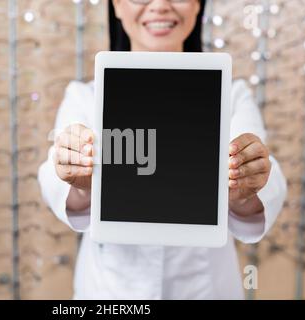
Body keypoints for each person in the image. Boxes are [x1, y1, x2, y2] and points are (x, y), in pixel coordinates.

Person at [38, 0, 287, 299]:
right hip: (112, 291)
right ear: (116, 6)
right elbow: (55, 180)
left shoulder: (233, 95)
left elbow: (261, 181)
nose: (159, 6)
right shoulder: (82, 97)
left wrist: (246, 187)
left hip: (204, 288)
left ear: (198, 6)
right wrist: (78, 181)